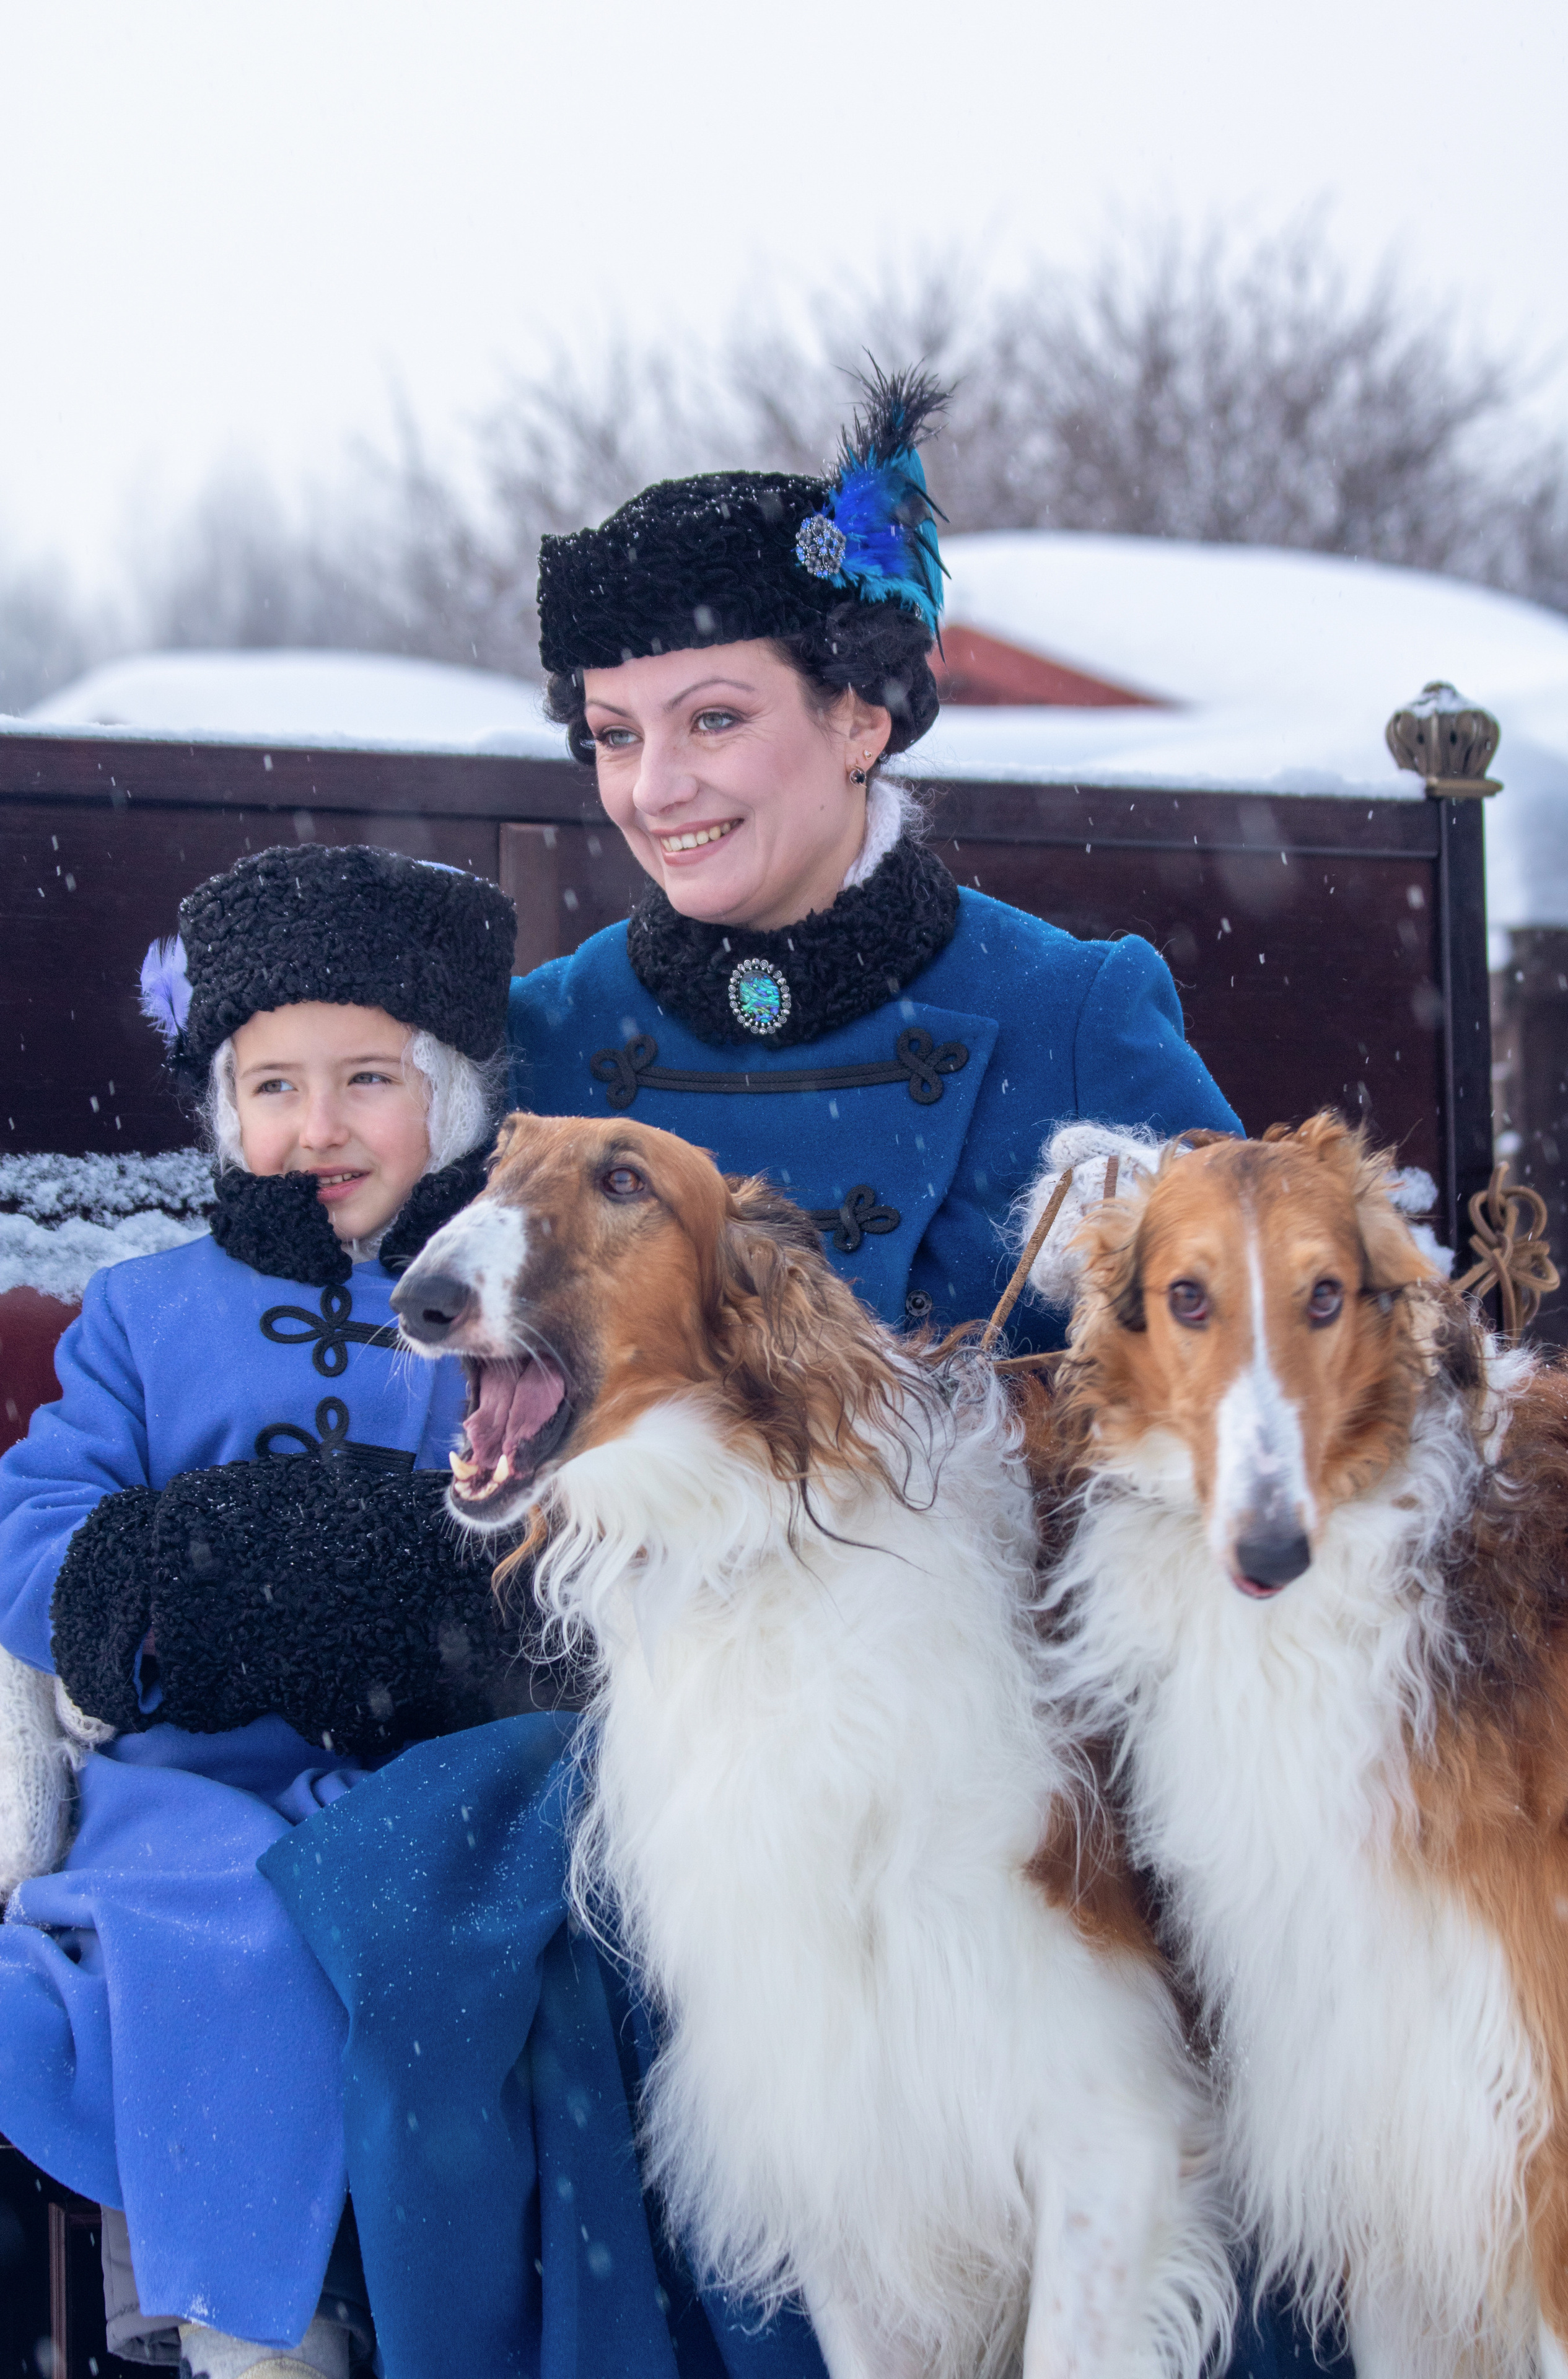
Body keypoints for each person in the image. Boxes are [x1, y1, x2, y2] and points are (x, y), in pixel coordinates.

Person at [45, 374, 1341, 2377]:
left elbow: (1251, 1347)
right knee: (429, 1916)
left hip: (1000, 1691)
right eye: (615, 737)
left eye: (714, 720)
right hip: (622, 1686)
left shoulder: (1068, 1008)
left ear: (861, 713)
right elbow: (346, 1303)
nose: (656, 788)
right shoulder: (538, 1041)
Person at [0, 845, 523, 2379]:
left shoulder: (502, 1307)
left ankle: (396, 2310)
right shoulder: (144, 1315)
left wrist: (421, 1595)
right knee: (207, 1916)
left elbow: (559, 1529)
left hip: (430, 1766)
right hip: (188, 1771)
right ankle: (253, 2325)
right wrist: (174, 1574)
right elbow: (36, 1538)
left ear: (450, 1101)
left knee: (408, 1924)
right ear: (227, 1109)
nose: (318, 1126)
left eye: (368, 1078)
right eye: (275, 1084)